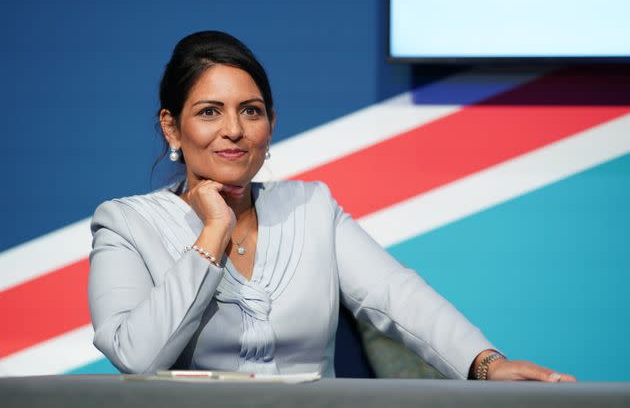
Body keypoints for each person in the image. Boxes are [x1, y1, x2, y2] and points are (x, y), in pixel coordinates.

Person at [88, 30, 575, 382]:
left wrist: (485, 364)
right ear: (172, 128)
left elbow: (399, 296)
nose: (233, 129)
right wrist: (213, 230)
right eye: (209, 112)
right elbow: (137, 356)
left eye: (250, 111)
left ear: (270, 126)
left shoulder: (312, 208)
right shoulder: (126, 224)